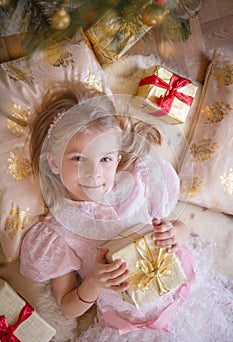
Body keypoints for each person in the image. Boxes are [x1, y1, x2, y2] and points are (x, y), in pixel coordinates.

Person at [20, 88, 233, 342]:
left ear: (117, 158)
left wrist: (175, 233)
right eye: (78, 158)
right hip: (135, 326)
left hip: (187, 293)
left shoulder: (137, 180)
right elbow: (67, 307)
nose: (94, 173)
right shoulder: (60, 231)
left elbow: (179, 227)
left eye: (105, 159)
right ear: (53, 163)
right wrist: (94, 283)